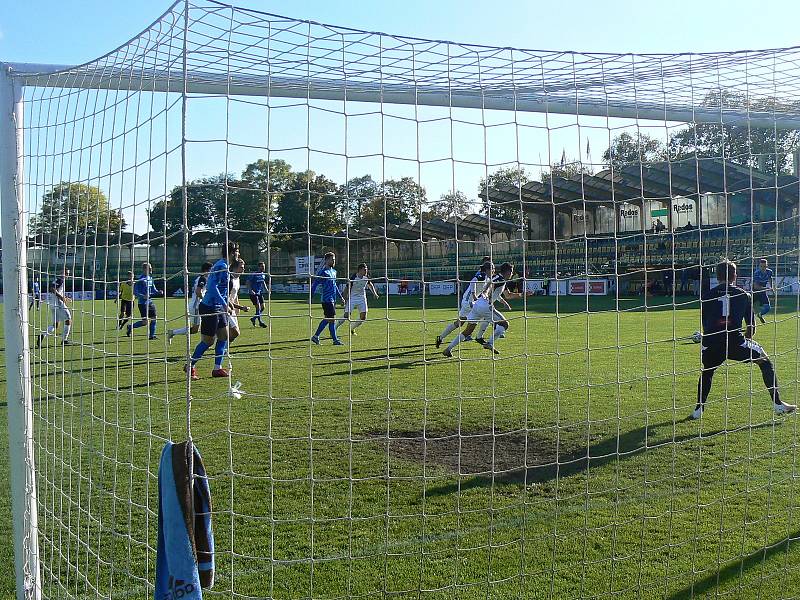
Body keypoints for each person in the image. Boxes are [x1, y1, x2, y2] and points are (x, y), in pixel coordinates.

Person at [692, 259, 795, 419]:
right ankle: (778, 404)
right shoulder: (744, 295)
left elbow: (707, 323)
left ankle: (698, 410)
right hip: (736, 343)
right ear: (734, 276)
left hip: (711, 345)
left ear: (717, 276)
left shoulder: (706, 296)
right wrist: (745, 340)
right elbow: (751, 328)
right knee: (765, 361)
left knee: (707, 372)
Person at [187, 242, 239, 380]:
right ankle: (189, 366)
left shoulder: (224, 266)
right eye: (237, 251)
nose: (238, 254)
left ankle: (217, 368)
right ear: (232, 252)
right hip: (210, 306)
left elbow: (221, 289)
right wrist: (224, 304)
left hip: (218, 307)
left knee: (224, 337)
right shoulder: (221, 266)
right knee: (208, 341)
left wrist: (227, 302)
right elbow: (212, 287)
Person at [436, 257, 492, 348]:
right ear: (487, 269)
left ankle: (441, 337)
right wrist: (474, 295)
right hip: (469, 302)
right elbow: (473, 281)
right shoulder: (481, 276)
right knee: (486, 314)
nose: (494, 271)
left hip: (467, 301)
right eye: (492, 269)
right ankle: (478, 336)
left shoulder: (487, 278)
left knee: (459, 323)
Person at [167, 262, 212, 343]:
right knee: (195, 329)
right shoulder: (203, 279)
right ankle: (173, 332)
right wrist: (205, 300)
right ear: (207, 270)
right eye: (211, 270)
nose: (212, 272)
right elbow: (198, 292)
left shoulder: (200, 278)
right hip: (196, 306)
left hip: (199, 305)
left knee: (206, 324)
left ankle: (205, 342)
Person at [310, 252, 346, 346]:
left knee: (329, 319)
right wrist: (311, 296)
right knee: (331, 319)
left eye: (334, 259)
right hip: (326, 299)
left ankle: (316, 336)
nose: (334, 261)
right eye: (332, 259)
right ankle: (335, 340)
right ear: (326, 260)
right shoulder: (323, 272)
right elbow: (315, 284)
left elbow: (335, 286)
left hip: (333, 299)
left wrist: (341, 297)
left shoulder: (334, 272)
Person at [335, 263, 379, 336]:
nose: (366, 271)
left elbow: (370, 284)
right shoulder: (353, 278)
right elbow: (346, 288)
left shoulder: (366, 277)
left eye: (366, 270)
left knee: (363, 317)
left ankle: (352, 328)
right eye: (365, 270)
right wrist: (344, 299)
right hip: (352, 298)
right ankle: (334, 328)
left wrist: (374, 293)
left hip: (362, 298)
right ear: (360, 270)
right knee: (346, 315)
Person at [127, 262, 162, 340]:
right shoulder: (140, 279)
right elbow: (134, 292)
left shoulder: (150, 278)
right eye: (149, 268)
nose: (150, 269)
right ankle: (130, 327)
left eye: (151, 267)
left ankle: (151, 336)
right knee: (145, 322)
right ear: (144, 269)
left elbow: (153, 290)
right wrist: (143, 296)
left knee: (154, 318)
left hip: (150, 302)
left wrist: (158, 292)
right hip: (142, 303)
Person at [37, 269, 72, 348]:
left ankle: (42, 335)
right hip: (58, 304)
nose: (67, 275)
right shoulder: (60, 280)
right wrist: (61, 297)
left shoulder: (57, 280)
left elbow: (55, 290)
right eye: (66, 273)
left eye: (68, 274)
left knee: (55, 325)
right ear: (61, 273)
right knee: (68, 319)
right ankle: (64, 340)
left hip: (52, 304)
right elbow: (52, 289)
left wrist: (64, 298)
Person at [227, 257, 250, 344]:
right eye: (241, 267)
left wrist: (237, 308)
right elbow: (226, 298)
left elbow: (235, 295)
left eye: (243, 267)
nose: (243, 269)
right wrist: (241, 307)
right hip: (225, 308)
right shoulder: (229, 279)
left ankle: (223, 350)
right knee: (235, 333)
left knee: (231, 333)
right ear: (234, 268)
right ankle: (222, 351)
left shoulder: (238, 279)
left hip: (232, 308)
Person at [751, 258, 774, 324]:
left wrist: (771, 287)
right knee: (748, 308)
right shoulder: (756, 273)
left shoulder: (769, 272)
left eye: (764, 266)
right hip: (755, 292)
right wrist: (766, 288)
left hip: (762, 292)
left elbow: (770, 278)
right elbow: (756, 286)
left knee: (767, 308)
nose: (762, 268)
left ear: (767, 266)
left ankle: (760, 315)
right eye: (761, 266)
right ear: (759, 266)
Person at [249, 261, 268, 328]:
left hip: (259, 293)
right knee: (258, 307)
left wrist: (267, 290)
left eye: (264, 266)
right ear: (259, 267)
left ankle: (254, 318)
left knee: (263, 307)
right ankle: (260, 322)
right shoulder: (254, 274)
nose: (263, 268)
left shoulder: (263, 274)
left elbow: (263, 282)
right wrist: (251, 290)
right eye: (262, 266)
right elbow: (248, 282)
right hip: (253, 293)